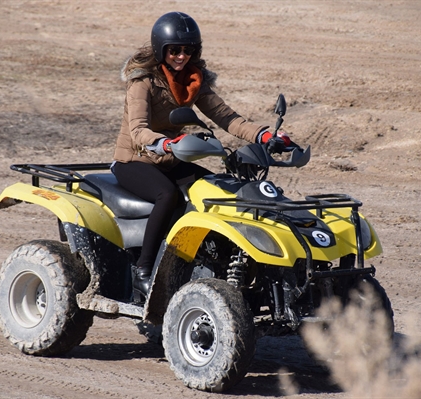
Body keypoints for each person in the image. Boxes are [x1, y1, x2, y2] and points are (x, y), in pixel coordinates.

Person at [111, 11, 290, 298]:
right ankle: (143, 272)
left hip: (170, 159)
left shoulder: (193, 80)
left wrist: (265, 135)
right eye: (174, 50)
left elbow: (227, 117)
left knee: (218, 191)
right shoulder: (142, 82)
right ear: (161, 49)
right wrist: (166, 143)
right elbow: (138, 131)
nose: (181, 56)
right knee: (167, 195)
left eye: (188, 50)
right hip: (135, 159)